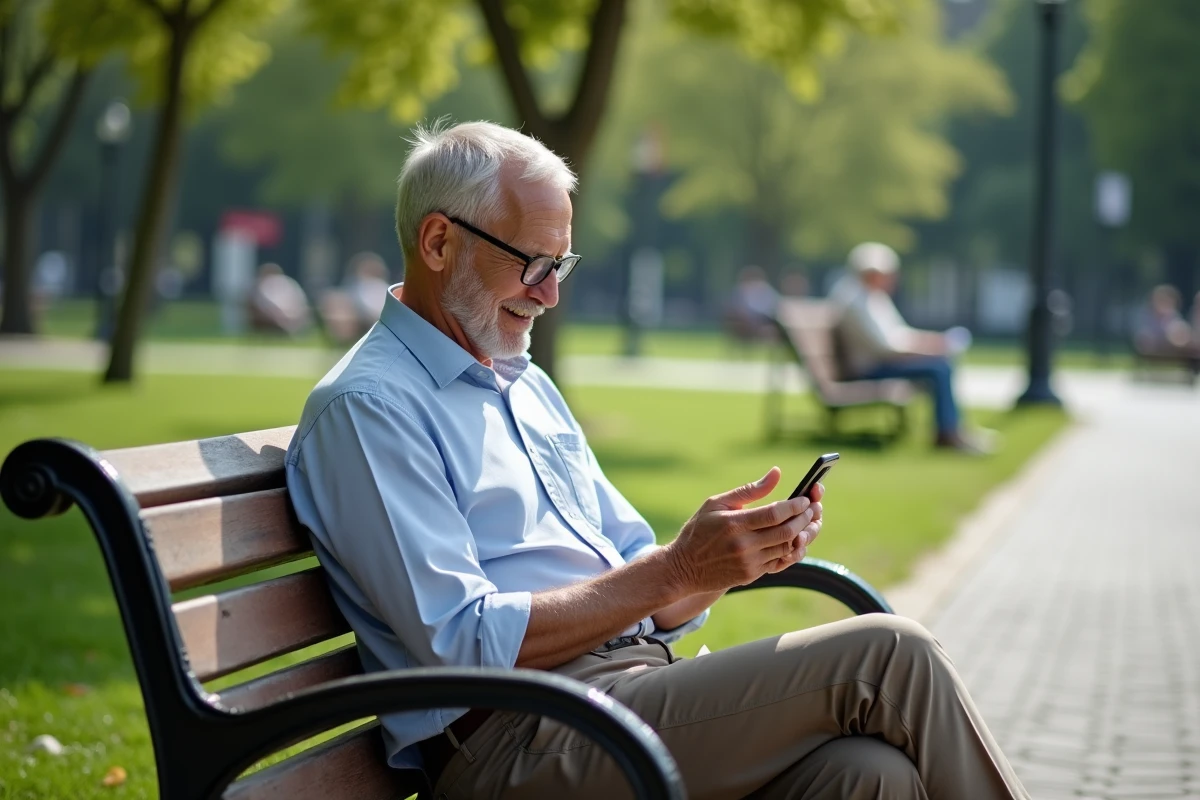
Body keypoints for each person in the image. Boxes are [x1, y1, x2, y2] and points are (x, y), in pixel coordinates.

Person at [285, 122, 1029, 800]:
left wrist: (721, 562)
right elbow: (463, 644)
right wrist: (673, 570)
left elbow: (642, 574)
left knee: (872, 778)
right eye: (532, 263)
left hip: (619, 700)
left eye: (561, 263)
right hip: (516, 744)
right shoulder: (371, 408)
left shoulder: (525, 385)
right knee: (892, 656)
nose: (549, 294)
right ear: (440, 243)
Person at [828, 242, 988, 454]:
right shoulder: (856, 301)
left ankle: (953, 429)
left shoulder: (872, 298)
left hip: (882, 364)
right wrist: (929, 348)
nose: (890, 279)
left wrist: (932, 342)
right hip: (871, 369)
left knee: (942, 365)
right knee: (939, 369)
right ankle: (948, 433)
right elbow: (885, 348)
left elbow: (899, 334)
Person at [248, 262, 313, 336]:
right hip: (271, 316)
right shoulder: (260, 286)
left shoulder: (288, 284)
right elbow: (264, 304)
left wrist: (292, 312)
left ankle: (294, 331)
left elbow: (298, 300)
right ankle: (289, 331)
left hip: (291, 314)